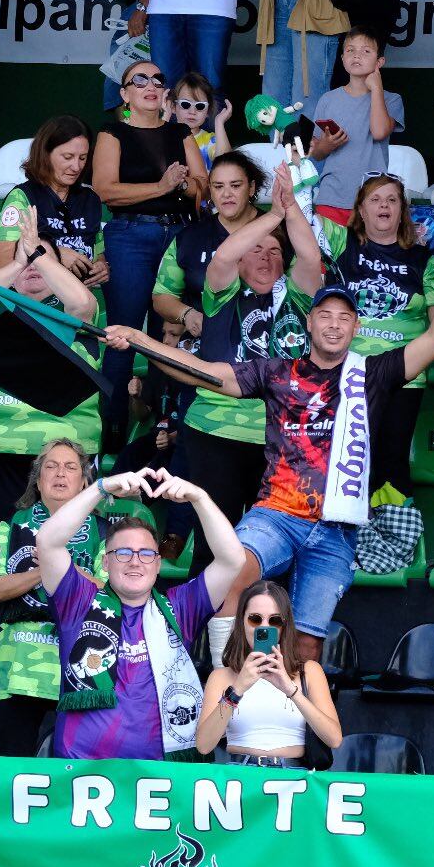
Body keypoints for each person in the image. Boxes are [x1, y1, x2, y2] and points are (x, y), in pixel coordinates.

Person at [109, 244, 434, 669]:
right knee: (234, 575)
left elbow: (433, 338)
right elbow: (205, 373)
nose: (334, 326)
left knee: (307, 650)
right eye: (325, 316)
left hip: (336, 529)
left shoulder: (372, 373)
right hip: (277, 515)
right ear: (308, 322)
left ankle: (282, 717)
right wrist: (139, 340)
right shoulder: (277, 371)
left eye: (343, 318)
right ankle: (223, 687)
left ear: (356, 327)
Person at [158, 179, 322, 572]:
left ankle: (267, 631)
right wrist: (274, 216)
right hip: (217, 433)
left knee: (277, 550)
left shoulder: (299, 296)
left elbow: (312, 259)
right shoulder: (222, 293)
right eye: (256, 251)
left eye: (275, 251)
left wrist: (292, 213)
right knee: (214, 550)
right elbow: (223, 255)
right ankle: (204, 633)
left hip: (281, 439)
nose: (266, 259)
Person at [37, 467, 245, 760]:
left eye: (146, 554)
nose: (135, 562)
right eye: (123, 553)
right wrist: (102, 487)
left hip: (158, 780)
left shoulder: (180, 607)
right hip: (82, 775)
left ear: (158, 564)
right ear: (106, 562)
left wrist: (199, 498)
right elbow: (48, 542)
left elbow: (233, 560)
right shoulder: (78, 600)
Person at [312, 172, 434, 497]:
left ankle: (392, 538)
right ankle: (346, 534)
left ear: (402, 210)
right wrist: (306, 172)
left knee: (392, 459)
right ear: (360, 209)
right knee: (348, 455)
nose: (383, 205)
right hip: (349, 369)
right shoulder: (342, 243)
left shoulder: (423, 260)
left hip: (404, 374)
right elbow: (303, 220)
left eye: (391, 200)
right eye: (375, 199)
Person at [93, 58, 205, 438]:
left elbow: (202, 188)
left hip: (179, 234)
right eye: (139, 79)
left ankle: (163, 430)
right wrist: (163, 186)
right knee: (121, 336)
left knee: (168, 337)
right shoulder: (113, 133)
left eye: (159, 79)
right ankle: (109, 436)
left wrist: (183, 184)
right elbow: (106, 191)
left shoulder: (180, 133)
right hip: (130, 236)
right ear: (124, 94)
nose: (151, 84)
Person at [0, 218, 106, 521]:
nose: (34, 264)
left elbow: (82, 303)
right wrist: (17, 263)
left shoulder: (74, 315)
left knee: (71, 542)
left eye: (42, 259)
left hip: (67, 446)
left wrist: (39, 256)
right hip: (2, 443)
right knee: (10, 543)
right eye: (28, 259)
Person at [0, 437, 105, 757]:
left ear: (83, 482)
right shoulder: (12, 526)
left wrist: (59, 564)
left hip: (79, 665)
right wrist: (40, 571)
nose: (60, 473)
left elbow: (108, 596)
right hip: (18, 666)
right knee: (13, 768)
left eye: (70, 467)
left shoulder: (103, 533)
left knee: (76, 770)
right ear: (38, 481)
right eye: (50, 467)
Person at [194, 581, 343, 767]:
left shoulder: (309, 671)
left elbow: (334, 739)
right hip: (241, 775)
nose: (264, 628)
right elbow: (204, 745)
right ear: (242, 621)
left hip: (293, 778)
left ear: (284, 626)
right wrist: (238, 689)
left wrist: (291, 690)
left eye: (274, 621)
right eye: (255, 619)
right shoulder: (222, 676)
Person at [150, 150, 265, 356]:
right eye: (218, 187)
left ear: (252, 188)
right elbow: (162, 296)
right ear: (210, 190)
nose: (226, 194)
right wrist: (187, 314)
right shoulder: (190, 237)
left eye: (236, 185)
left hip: (266, 348)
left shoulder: (277, 230)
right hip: (206, 351)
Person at [309, 28, 401, 222]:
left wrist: (376, 88)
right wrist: (326, 146)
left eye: (366, 51)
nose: (357, 55)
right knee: (329, 252)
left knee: (367, 252)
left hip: (372, 200)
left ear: (379, 62)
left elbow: (379, 132)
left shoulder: (391, 100)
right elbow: (315, 153)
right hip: (331, 196)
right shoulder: (328, 99)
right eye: (350, 50)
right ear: (342, 58)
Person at [0, 114, 105, 277]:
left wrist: (102, 267)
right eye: (68, 157)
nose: (76, 166)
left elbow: (98, 254)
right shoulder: (22, 197)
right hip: (35, 300)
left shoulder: (91, 199)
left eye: (83, 158)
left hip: (79, 299)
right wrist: (54, 254)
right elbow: (3, 262)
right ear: (45, 154)